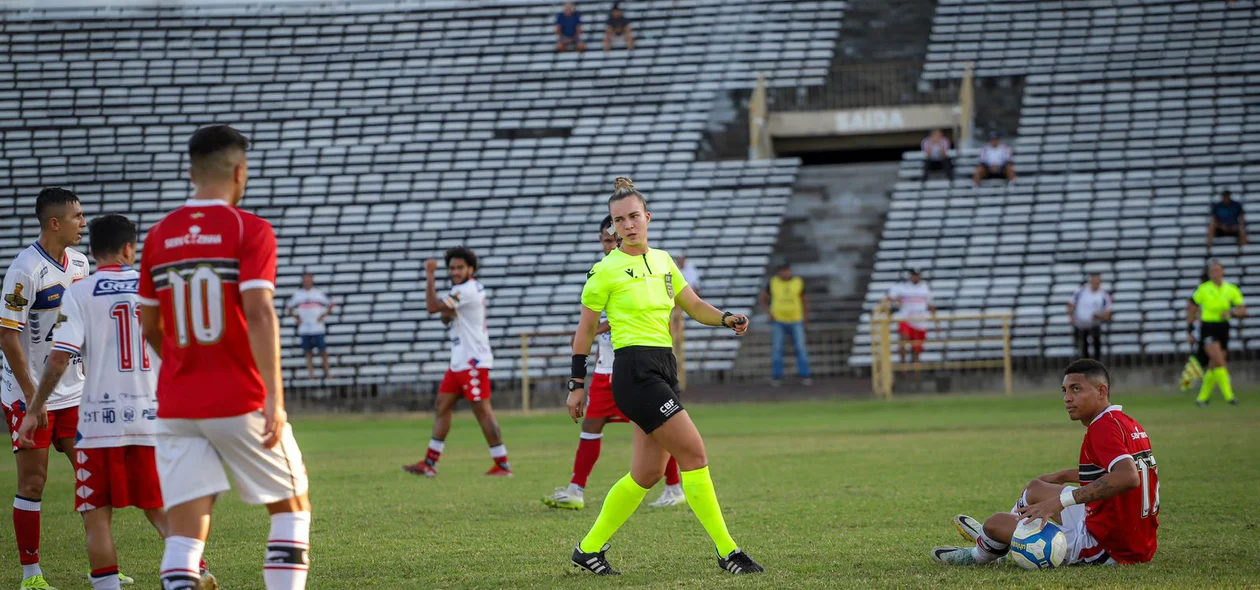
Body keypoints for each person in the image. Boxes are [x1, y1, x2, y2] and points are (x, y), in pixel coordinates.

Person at [138, 125, 311, 590]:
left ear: (192, 173)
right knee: (292, 510)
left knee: (185, 533)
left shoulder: (157, 236)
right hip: (238, 398)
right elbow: (258, 311)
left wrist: (180, 363)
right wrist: (275, 396)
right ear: (240, 172)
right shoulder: (248, 228)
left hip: (176, 405)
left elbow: (150, 325)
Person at [566, 177, 763, 576]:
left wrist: (725, 318)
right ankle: (728, 552)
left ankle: (587, 550)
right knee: (694, 453)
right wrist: (576, 384)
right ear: (612, 226)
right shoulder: (605, 271)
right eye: (619, 220)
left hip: (663, 368)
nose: (628, 225)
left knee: (648, 473)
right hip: (635, 374)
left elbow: (693, 305)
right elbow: (584, 332)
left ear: (647, 217)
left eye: (634, 216)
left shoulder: (664, 260)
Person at [17, 214, 214, 590]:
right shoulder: (155, 289)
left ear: (92, 250)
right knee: (159, 508)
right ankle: (195, 572)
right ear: (129, 248)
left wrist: (35, 407)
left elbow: (60, 358)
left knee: (96, 518)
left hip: (97, 425)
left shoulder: (79, 292)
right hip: (149, 420)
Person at [932, 359, 1159, 567]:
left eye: (1076, 389)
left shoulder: (1101, 428)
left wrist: (1059, 502)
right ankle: (997, 539)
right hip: (1131, 535)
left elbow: (1128, 477)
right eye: (1065, 390)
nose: (1067, 398)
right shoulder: (1125, 422)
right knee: (1036, 488)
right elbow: (1116, 472)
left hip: (1109, 546)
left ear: (1102, 391)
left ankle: (982, 552)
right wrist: (1063, 476)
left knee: (995, 522)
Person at [543, 216, 684, 511]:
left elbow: (642, 313)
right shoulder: (602, 272)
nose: (608, 245)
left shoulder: (644, 267)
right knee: (593, 423)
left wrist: (599, 328)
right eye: (604, 241)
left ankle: (674, 487)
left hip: (635, 368)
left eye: (611, 240)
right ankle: (575, 490)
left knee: (656, 429)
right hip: (608, 368)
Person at [2, 188, 89, 590]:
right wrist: (33, 400)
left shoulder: (80, 264)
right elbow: (7, 337)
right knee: (33, 483)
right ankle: (31, 575)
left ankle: (102, 567)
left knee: (93, 477)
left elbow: (80, 327)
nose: (83, 224)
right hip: (29, 394)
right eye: (77, 217)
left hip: (74, 390)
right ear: (55, 223)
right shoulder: (24, 270)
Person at [403, 248, 512, 478]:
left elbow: (434, 308)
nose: (455, 271)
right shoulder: (461, 290)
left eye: (460, 267)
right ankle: (430, 463)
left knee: (482, 411)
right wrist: (448, 309)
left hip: (473, 360)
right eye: (452, 268)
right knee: (442, 405)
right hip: (460, 360)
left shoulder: (467, 289)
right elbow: (445, 317)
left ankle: (502, 465)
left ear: (471, 269)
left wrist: (430, 275)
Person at [1187, 260, 1246, 407]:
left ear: (1222, 272)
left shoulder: (1231, 289)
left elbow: (1242, 310)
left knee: (1214, 365)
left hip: (1223, 327)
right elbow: (1192, 307)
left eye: (1217, 270)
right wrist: (1190, 328)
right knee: (1219, 360)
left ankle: (1201, 399)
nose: (1215, 273)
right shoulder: (1203, 289)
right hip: (1208, 327)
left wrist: (1232, 312)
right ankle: (1230, 397)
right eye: (1212, 271)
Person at [759, 262, 812, 387]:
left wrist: (806, 318)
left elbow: (804, 301)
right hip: (778, 320)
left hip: (796, 319)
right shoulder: (773, 282)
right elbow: (763, 299)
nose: (785, 273)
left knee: (800, 348)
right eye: (783, 271)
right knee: (777, 349)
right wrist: (769, 313)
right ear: (779, 272)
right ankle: (777, 376)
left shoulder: (798, 282)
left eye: (787, 271)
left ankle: (805, 375)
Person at [285, 274, 334, 379]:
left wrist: (324, 315)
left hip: (317, 327)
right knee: (308, 352)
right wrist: (296, 318)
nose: (307, 282)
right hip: (304, 328)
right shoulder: (298, 294)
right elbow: (289, 306)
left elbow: (331, 303)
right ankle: (311, 374)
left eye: (309, 280)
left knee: (323, 351)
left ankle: (327, 373)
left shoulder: (318, 293)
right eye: (305, 280)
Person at [884, 268, 936, 365]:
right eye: (914, 275)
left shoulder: (925, 288)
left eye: (917, 275)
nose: (915, 277)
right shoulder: (902, 287)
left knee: (917, 348)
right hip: (907, 319)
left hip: (920, 322)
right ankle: (903, 366)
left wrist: (936, 322)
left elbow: (930, 305)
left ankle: (915, 369)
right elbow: (890, 297)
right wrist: (896, 302)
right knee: (903, 342)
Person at [1067, 273, 1113, 360]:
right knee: (1082, 346)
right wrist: (1071, 317)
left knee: (1097, 345)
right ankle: (1084, 365)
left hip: (1094, 324)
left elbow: (1108, 312)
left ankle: (1096, 365)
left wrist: (1100, 316)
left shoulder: (1104, 295)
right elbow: (1071, 304)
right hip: (1080, 325)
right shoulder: (1081, 291)